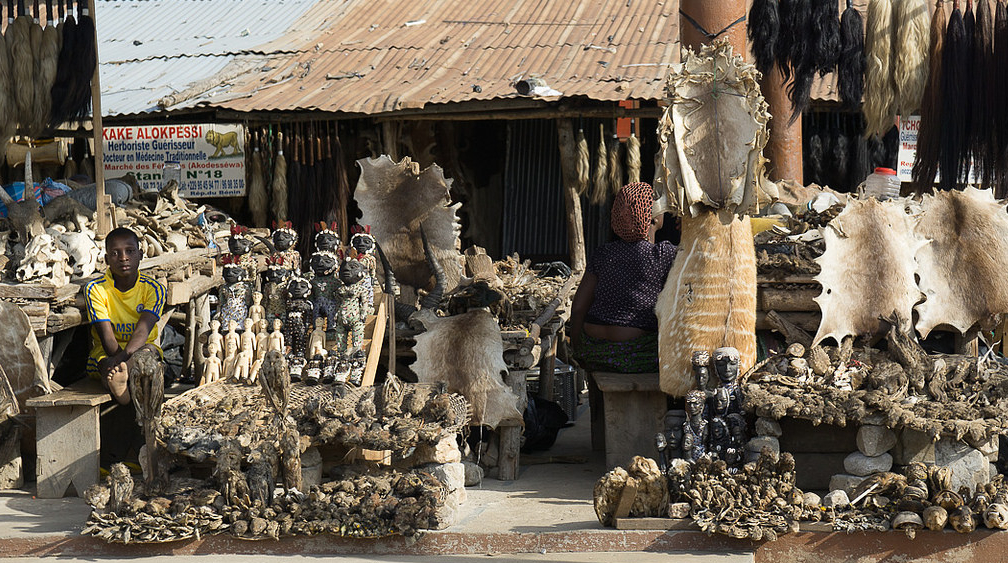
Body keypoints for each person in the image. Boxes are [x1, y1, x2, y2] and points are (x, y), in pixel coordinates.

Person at [570, 182, 676, 373]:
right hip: (637, 353)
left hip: (594, 350)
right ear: (653, 220)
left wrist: (578, 350)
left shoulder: (602, 253)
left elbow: (578, 308)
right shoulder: (663, 255)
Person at [85, 227, 166, 404]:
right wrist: (115, 363)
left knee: (147, 356)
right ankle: (118, 382)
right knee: (105, 366)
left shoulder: (153, 288)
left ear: (141, 254)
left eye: (130, 251)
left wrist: (123, 363)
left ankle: (122, 380)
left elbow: (142, 333)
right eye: (115, 253)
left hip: (140, 349)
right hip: (108, 352)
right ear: (106, 259)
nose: (123, 258)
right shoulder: (96, 289)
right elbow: (107, 339)